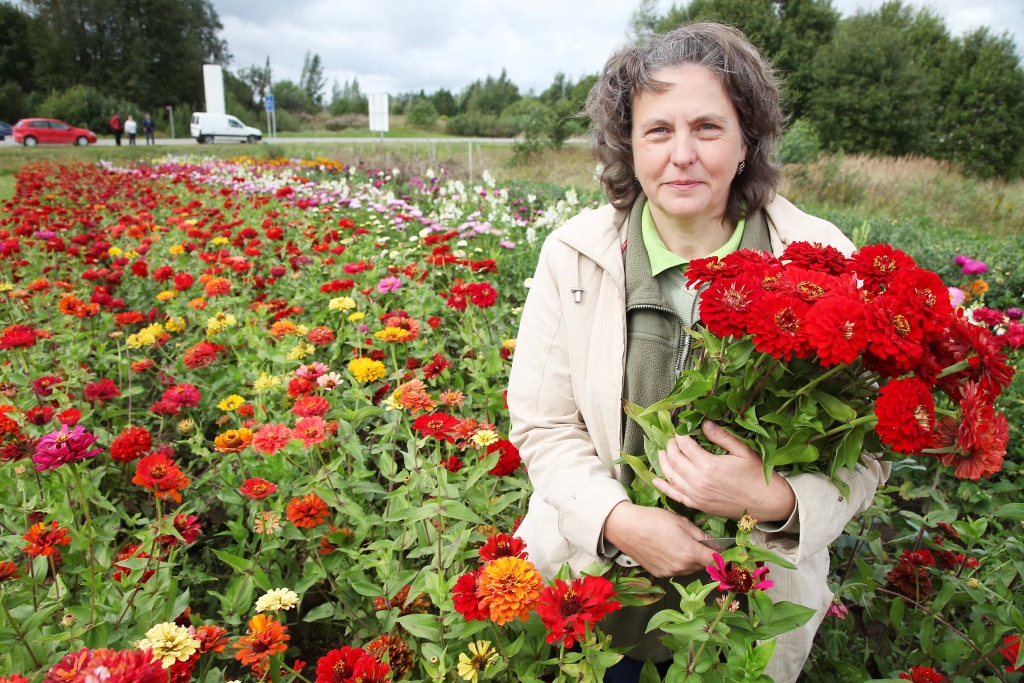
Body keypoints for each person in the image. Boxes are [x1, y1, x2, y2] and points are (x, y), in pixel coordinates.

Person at [507, 22, 890, 683]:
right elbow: (544, 424)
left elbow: (871, 450)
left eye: (708, 128)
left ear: (747, 142)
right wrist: (618, 519)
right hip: (602, 594)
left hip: (745, 618)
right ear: (628, 144)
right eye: (658, 130)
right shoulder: (574, 254)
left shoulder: (823, 261)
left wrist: (779, 499)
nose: (681, 154)